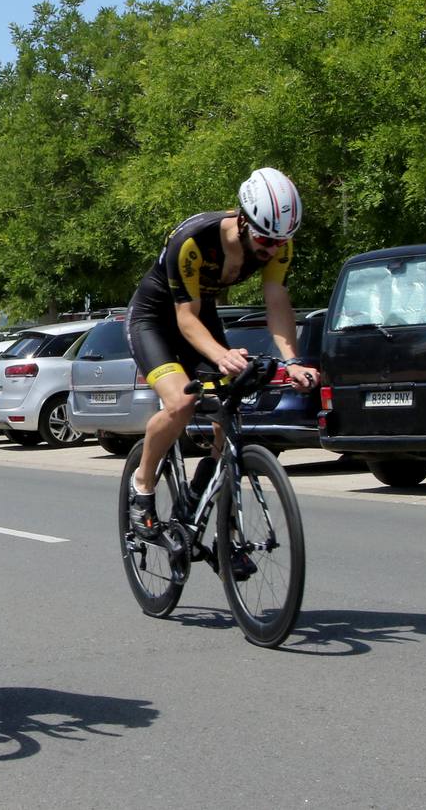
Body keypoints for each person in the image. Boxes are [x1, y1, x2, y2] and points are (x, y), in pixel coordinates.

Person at [124, 167, 320, 570]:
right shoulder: (193, 241)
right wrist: (219, 355)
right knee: (180, 404)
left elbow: (277, 301)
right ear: (244, 221)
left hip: (202, 316)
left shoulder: (277, 243)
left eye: (280, 242)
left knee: (231, 406)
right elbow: (185, 319)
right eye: (265, 239)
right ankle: (142, 482)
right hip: (156, 319)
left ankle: (211, 498)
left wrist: (293, 360)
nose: (271, 250)